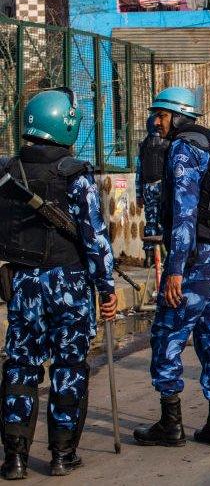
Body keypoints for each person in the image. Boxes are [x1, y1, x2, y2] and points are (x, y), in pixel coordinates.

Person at [0, 88, 117, 479]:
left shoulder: (7, 173)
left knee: (20, 367)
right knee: (69, 367)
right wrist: (107, 287)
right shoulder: (75, 175)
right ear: (65, 126)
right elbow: (94, 237)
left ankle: (14, 459)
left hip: (22, 283)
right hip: (68, 284)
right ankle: (62, 456)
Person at [134, 87, 210, 449]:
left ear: (177, 115)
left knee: (166, 333)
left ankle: (170, 423)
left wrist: (175, 268)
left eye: (161, 115)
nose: (156, 123)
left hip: (194, 255)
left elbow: (184, 212)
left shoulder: (183, 148)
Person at [137, 114, 168, 267]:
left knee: (154, 222)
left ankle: (152, 257)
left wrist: (138, 194)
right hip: (158, 187)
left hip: (152, 187)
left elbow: (138, 172)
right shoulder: (165, 144)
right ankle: (157, 257)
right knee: (159, 222)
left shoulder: (145, 145)